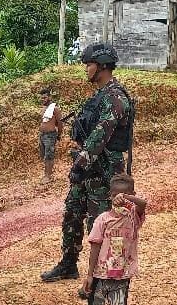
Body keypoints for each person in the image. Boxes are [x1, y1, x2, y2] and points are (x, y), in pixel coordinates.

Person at [41, 43, 134, 283]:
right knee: (72, 213)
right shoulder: (98, 96)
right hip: (88, 168)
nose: (86, 69)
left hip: (103, 170)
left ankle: (101, 276)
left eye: (89, 64)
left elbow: (101, 135)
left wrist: (80, 162)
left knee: (99, 222)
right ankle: (68, 264)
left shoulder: (115, 97)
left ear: (102, 66)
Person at [81, 174, 146, 305]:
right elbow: (95, 246)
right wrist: (89, 275)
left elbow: (143, 204)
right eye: (116, 195)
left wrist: (127, 199)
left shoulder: (134, 218)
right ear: (110, 196)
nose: (120, 198)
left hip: (122, 275)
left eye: (125, 195)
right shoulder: (102, 219)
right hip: (101, 274)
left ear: (132, 194)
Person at [38, 88, 63, 185]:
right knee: (44, 155)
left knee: (49, 156)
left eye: (44, 97)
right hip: (42, 135)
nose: (43, 99)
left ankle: (48, 176)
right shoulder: (44, 108)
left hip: (50, 135)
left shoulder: (55, 109)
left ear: (49, 97)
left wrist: (59, 134)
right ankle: (46, 174)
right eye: (41, 98)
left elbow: (60, 123)